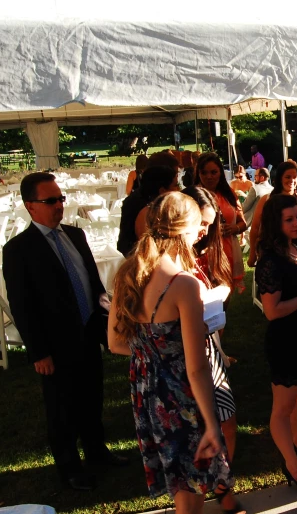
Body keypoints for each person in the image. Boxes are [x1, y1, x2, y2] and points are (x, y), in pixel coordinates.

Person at [107, 192, 233, 514]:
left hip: (148, 394)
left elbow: (115, 343)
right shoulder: (183, 284)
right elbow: (197, 369)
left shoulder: (127, 273)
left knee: (180, 486)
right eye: (196, 228)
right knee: (191, 494)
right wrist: (211, 423)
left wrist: (151, 357)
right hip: (182, 397)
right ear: (184, 230)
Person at [3, 172, 129, 491]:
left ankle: (97, 451)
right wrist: (39, 352)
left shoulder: (75, 235)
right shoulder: (19, 250)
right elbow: (22, 306)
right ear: (30, 206)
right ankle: (70, 467)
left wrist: (107, 327)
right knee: (62, 408)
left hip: (88, 332)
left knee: (92, 397)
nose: (59, 206)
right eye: (50, 201)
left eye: (61, 199)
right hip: (55, 344)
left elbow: (94, 285)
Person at [180, 186, 244, 514]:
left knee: (228, 423)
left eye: (210, 224)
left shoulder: (197, 253)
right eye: (200, 224)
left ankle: (222, 486)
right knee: (201, 435)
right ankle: (206, 494)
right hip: (189, 359)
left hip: (211, 350)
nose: (205, 231)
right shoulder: (170, 265)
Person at [255, 194, 297, 491]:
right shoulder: (270, 261)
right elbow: (272, 311)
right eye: (289, 219)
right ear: (275, 223)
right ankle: (293, 468)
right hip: (286, 342)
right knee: (282, 407)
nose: (296, 223)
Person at [195, 153, 248, 292]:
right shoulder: (193, 195)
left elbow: (243, 223)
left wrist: (234, 228)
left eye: (213, 172)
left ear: (220, 173)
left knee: (224, 297)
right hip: (202, 254)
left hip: (227, 252)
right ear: (198, 173)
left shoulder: (228, 193)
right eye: (204, 172)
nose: (209, 176)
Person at [248, 160, 297, 267]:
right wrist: (252, 254)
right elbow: (255, 228)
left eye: (295, 177)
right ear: (280, 178)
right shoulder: (266, 199)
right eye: (287, 177)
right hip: (272, 252)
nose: (292, 180)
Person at [117, 162, 180, 256]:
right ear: (162, 190)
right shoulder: (147, 209)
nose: (178, 189)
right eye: (175, 185)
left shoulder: (140, 197)